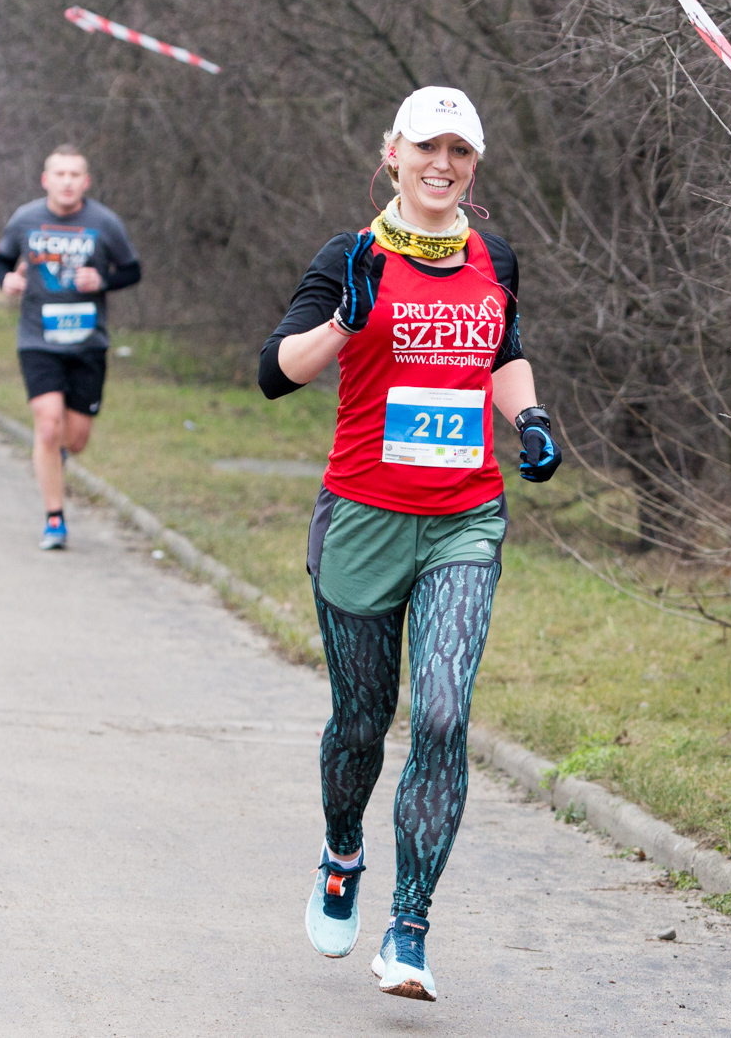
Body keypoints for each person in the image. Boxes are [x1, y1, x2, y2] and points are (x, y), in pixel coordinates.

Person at [258, 87, 560, 1002]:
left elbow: (502, 349)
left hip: (464, 516)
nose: (442, 164)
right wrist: (345, 321)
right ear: (392, 154)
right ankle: (342, 851)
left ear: (474, 163)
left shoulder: (494, 254)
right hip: (363, 515)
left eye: (458, 151)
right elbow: (275, 374)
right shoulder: (349, 257)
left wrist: (530, 414)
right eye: (425, 147)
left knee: (438, 716)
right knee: (361, 720)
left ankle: (411, 929)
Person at [0, 145, 141, 551]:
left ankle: (54, 460)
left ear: (86, 182)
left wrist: (103, 281)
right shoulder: (25, 219)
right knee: (47, 425)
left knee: (74, 438)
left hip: (87, 344)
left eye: (75, 175)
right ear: (46, 180)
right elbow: (1, 262)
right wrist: (6, 280)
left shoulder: (104, 223)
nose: (67, 182)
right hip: (38, 340)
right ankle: (54, 520)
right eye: (60, 174)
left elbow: (132, 269)